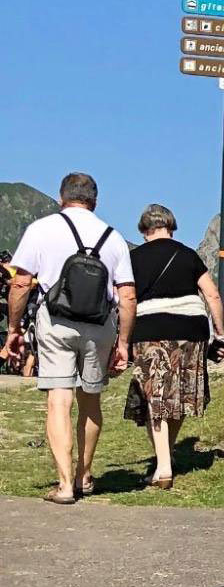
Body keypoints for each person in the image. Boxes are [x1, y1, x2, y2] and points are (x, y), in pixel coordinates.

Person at [3, 172, 136, 504]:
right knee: (90, 401)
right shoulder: (114, 237)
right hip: (99, 323)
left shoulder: (41, 229)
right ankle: (84, 475)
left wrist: (13, 330)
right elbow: (128, 295)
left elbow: (20, 283)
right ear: (95, 200)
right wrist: (123, 343)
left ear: (61, 197)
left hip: (56, 321)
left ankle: (64, 485)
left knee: (58, 401)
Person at [128, 206, 224, 489]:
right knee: (181, 393)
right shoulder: (188, 255)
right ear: (171, 226)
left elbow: (127, 299)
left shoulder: (133, 258)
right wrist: (220, 334)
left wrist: (122, 339)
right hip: (192, 330)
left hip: (152, 329)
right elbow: (213, 295)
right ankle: (164, 458)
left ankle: (164, 468)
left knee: (155, 397)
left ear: (144, 229)